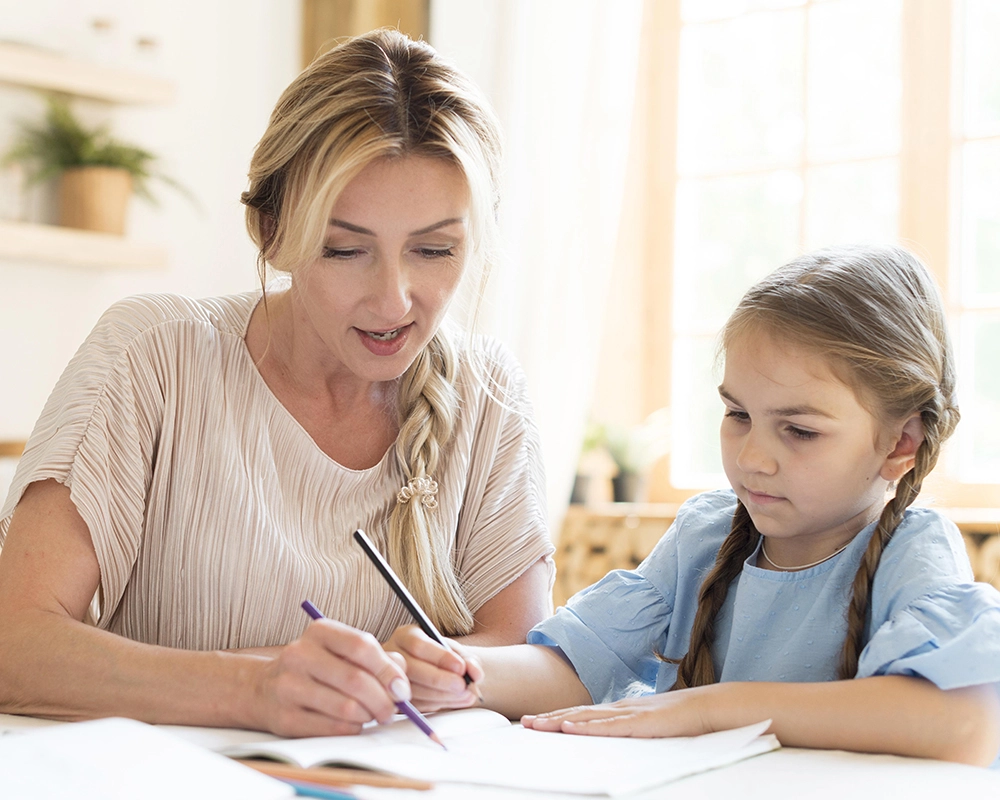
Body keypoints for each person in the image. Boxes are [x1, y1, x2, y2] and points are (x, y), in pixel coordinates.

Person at [0, 29, 554, 735]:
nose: (393, 300)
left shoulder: (488, 397)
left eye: (436, 249)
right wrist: (251, 689)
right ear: (270, 229)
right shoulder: (153, 358)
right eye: (345, 249)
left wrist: (409, 674)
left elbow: (531, 660)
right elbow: (14, 646)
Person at [399, 245, 1000, 766]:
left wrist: (719, 707)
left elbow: (967, 725)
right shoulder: (704, 536)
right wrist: (459, 672)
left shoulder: (910, 549)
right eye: (738, 415)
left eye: (799, 430)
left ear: (901, 443)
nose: (753, 458)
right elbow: (577, 667)